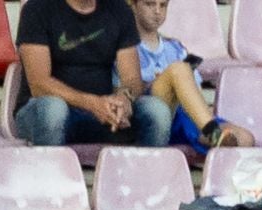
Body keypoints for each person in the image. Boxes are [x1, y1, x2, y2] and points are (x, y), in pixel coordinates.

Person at [14, 0, 170, 148]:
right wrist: (93, 104)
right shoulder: (37, 9)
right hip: (46, 109)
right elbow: (39, 84)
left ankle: (145, 175)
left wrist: (124, 99)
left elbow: (132, 79)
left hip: (104, 111)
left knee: (157, 111)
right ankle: (51, 174)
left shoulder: (119, 9)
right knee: (53, 110)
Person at [128, 0, 252, 153]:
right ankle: (212, 134)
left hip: (184, 116)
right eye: (150, 4)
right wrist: (162, 80)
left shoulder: (175, 47)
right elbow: (126, 91)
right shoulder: (125, 47)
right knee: (178, 70)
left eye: (163, 5)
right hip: (153, 114)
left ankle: (209, 136)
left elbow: (196, 91)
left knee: (245, 138)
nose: (157, 11)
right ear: (133, 5)